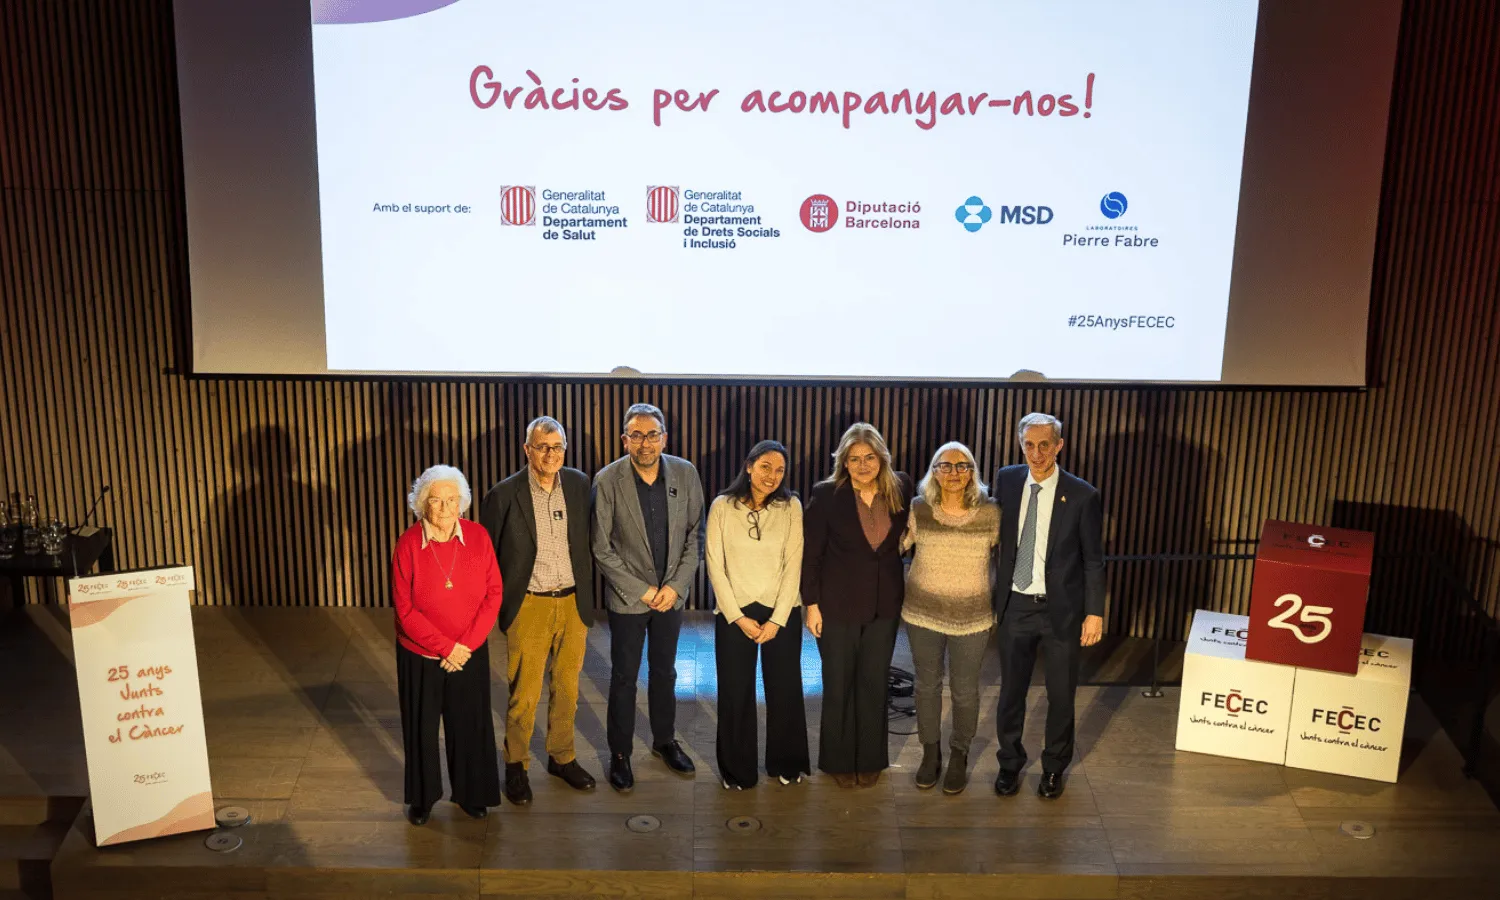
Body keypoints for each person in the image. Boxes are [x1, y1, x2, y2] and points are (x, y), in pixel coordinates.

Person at [479, 416, 597, 806]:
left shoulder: (580, 485)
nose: (551, 454)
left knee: (567, 689)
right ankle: (516, 765)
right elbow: (488, 558)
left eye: (557, 446)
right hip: (529, 604)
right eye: (542, 446)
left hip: (573, 603)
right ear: (527, 449)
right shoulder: (504, 494)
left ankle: (561, 757)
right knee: (524, 694)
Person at [592, 402, 706, 792]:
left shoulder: (686, 474)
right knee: (624, 678)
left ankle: (663, 741)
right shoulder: (607, 481)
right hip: (630, 599)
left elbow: (696, 536)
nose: (645, 443)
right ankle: (620, 754)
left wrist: (674, 587)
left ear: (664, 438)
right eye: (636, 435)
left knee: (665, 673)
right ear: (625, 440)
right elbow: (601, 547)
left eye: (652, 435)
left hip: (670, 597)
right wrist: (643, 590)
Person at [991, 413, 1105, 801]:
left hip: (1062, 612)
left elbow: (1093, 559)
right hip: (1015, 606)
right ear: (1020, 444)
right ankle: (1009, 763)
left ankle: (1054, 768)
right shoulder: (1006, 481)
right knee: (1011, 693)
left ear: (1059, 446)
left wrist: (1095, 612)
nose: (1036, 453)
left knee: (1060, 696)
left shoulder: (1082, 494)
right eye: (1029, 444)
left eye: (1044, 445)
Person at [801, 422, 913, 788]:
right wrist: (811, 605)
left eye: (869, 458)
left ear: (882, 458)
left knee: (874, 684)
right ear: (843, 462)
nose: (863, 465)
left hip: (884, 607)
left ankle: (870, 759)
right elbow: (811, 555)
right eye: (854, 459)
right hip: (836, 607)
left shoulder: (901, 488)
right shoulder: (827, 494)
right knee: (838, 685)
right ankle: (836, 761)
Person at [391, 465, 503, 825]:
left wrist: (465, 646)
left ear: (462, 503)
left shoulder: (479, 537)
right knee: (421, 728)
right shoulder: (408, 544)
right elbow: (404, 610)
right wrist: (445, 647)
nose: (444, 508)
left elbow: (493, 593)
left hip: (468, 652)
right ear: (422, 503)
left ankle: (471, 793)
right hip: (420, 655)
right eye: (436, 500)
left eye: (451, 500)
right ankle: (422, 798)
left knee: (469, 725)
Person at [706, 440, 810, 790]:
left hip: (781, 610)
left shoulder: (791, 506)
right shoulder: (722, 505)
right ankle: (737, 771)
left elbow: (794, 562)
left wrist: (779, 618)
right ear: (749, 466)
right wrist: (736, 616)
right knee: (736, 692)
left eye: (780, 470)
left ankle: (787, 763)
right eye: (766, 466)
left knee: (785, 688)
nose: (772, 476)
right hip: (735, 611)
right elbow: (714, 565)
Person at [902, 441, 999, 794]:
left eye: (962, 466)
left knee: (965, 690)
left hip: (972, 618)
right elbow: (895, 545)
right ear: (934, 471)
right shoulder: (919, 508)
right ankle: (931, 754)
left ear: (973, 472)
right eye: (945, 466)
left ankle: (959, 754)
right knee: (926, 686)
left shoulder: (990, 512)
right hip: (922, 613)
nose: (954, 473)